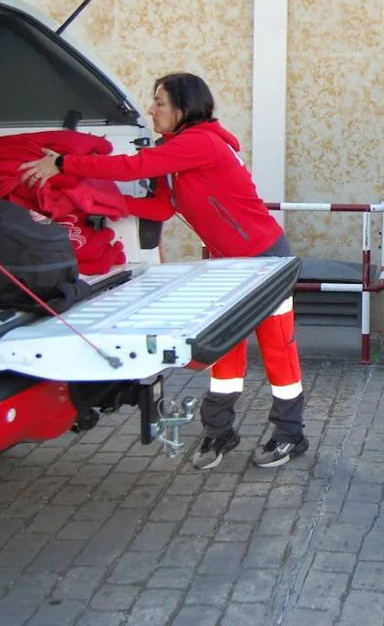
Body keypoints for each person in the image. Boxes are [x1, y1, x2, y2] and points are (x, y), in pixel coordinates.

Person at [19, 72, 308, 470]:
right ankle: (218, 431)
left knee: (277, 349)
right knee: (224, 351)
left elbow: (134, 166)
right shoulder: (174, 150)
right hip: (226, 264)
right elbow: (161, 208)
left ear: (183, 108)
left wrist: (64, 164)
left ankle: (290, 435)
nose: (151, 110)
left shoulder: (200, 143)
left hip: (266, 261)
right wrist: (96, 202)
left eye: (159, 102)